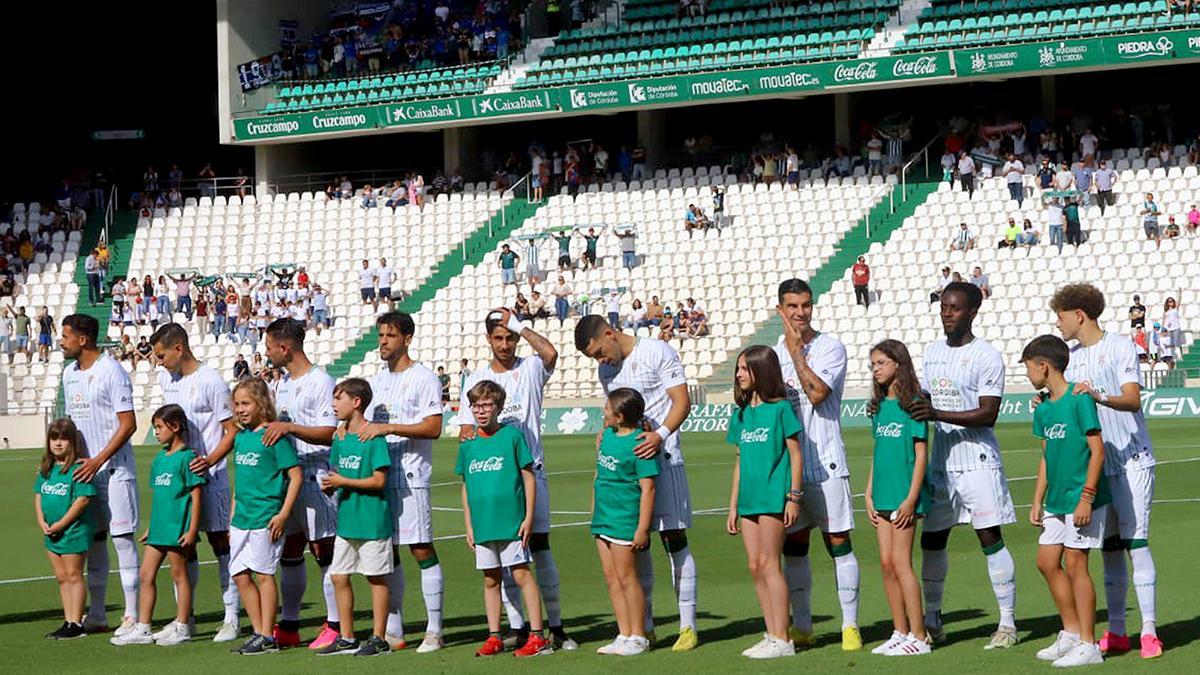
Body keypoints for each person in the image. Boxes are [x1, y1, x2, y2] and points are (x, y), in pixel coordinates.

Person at [1049, 284, 1163, 659]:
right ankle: (1116, 631)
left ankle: (1148, 630)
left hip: (1132, 459)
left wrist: (1098, 396)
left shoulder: (1119, 346)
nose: (1059, 323)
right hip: (1099, 465)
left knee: (1136, 542)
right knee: (1109, 548)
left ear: (1079, 314)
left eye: (1061, 316)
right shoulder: (1071, 357)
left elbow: (1132, 400)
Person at [455, 308, 577, 650]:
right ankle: (518, 627)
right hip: (496, 481)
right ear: (488, 339)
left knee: (538, 548)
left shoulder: (531, 367)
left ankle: (556, 626)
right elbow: (466, 429)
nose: (506, 344)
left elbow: (551, 353)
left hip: (530, 472)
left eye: (510, 337)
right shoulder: (477, 378)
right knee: (500, 562)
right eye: (499, 337)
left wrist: (521, 326)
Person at [575, 315, 699, 651]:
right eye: (595, 358)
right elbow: (620, 416)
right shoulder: (607, 371)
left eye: (600, 352)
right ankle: (643, 628)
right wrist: (608, 432)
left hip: (665, 459)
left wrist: (659, 435)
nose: (601, 361)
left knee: (675, 539)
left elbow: (681, 401)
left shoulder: (657, 351)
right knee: (634, 544)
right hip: (629, 473)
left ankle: (687, 626)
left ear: (610, 334)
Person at [910, 282, 1018, 648]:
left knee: (989, 537)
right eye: (943, 307)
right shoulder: (932, 352)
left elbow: (989, 414)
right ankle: (933, 619)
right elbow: (923, 396)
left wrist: (936, 411)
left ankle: (1007, 624)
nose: (947, 313)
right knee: (932, 540)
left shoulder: (987, 355)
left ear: (972, 311)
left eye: (954, 308)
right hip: (941, 461)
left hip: (978, 460)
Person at [772, 279, 861, 650]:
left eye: (805, 305)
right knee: (794, 545)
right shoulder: (772, 353)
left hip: (825, 461)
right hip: (790, 468)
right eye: (792, 306)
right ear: (780, 310)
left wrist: (796, 353)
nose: (800, 313)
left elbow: (818, 392)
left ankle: (850, 626)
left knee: (838, 541)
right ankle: (804, 626)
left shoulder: (830, 347)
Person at [150, 323, 242, 642]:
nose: (158, 362)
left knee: (220, 544)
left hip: (211, 478)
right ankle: (183, 620)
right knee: (183, 546)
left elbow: (232, 430)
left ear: (179, 348)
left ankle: (232, 617)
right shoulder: (167, 379)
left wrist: (210, 460)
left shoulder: (211, 381)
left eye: (162, 355)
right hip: (180, 483)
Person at [361, 312, 446, 652]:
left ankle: (435, 630)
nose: (383, 341)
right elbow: (369, 427)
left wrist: (390, 428)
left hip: (411, 475)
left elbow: (434, 427)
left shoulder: (423, 377)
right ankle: (394, 630)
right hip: (381, 477)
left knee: (421, 548)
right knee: (387, 551)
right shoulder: (377, 381)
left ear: (407, 339)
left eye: (390, 335)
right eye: (381, 335)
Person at [1022, 335, 1109, 667]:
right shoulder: (1042, 409)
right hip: (1056, 501)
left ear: (1043, 366)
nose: (1028, 375)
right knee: (1046, 562)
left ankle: (1089, 644)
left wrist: (1087, 497)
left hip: (1081, 498)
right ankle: (1071, 633)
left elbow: (1097, 451)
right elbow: (1046, 458)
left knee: (1076, 565)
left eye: (1029, 368)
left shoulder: (1079, 399)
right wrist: (1036, 500)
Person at [457, 380, 555, 658]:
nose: (481, 410)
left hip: (511, 521)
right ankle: (494, 636)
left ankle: (537, 636)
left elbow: (528, 476)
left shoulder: (512, 437)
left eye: (487, 405)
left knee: (522, 574)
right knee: (490, 579)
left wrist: (528, 517)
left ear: (499, 407)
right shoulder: (468, 445)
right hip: (483, 524)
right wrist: (468, 524)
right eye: (476, 405)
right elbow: (465, 486)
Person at [60, 314, 141, 635]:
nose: (61, 341)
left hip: (115, 470)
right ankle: (96, 613)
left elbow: (128, 423)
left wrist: (98, 459)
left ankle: (132, 615)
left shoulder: (112, 371)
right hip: (84, 473)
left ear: (83, 339)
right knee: (93, 542)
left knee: (122, 540)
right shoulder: (69, 374)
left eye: (66, 336)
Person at [262, 319, 340, 650]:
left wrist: (289, 428)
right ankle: (290, 624)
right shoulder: (284, 383)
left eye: (269, 348)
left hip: (315, 474)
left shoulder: (320, 381)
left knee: (323, 550)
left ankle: (335, 624)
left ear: (285, 347)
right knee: (289, 551)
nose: (266, 354)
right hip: (289, 477)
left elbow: (329, 432)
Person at [726, 346, 803, 659]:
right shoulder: (741, 414)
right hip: (748, 500)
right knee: (755, 565)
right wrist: (732, 505)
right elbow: (740, 461)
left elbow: (796, 454)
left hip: (773, 497)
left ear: (762, 371)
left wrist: (793, 496)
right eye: (738, 369)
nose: (739, 374)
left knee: (771, 564)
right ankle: (771, 633)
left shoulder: (781, 409)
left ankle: (783, 639)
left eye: (745, 368)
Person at [110, 405, 206, 647]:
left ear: (175, 427)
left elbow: (196, 496)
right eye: (154, 428)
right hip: (159, 529)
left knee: (179, 575)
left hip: (177, 529)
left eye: (160, 427)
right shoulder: (160, 459)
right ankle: (143, 627)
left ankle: (183, 625)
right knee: (145, 575)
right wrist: (152, 527)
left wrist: (192, 529)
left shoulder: (188, 458)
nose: (156, 433)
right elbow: (159, 498)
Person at [863, 340, 931, 657]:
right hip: (883, 494)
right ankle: (899, 630)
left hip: (905, 495)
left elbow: (920, 455)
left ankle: (919, 635)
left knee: (902, 563)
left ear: (898, 364)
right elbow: (878, 454)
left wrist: (911, 498)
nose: (875, 369)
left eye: (880, 363)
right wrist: (868, 491)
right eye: (873, 364)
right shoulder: (878, 407)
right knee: (886, 564)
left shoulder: (914, 403)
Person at [317, 378, 394, 657]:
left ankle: (379, 638)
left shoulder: (374, 438)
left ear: (356, 402)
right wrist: (331, 484)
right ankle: (347, 637)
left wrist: (343, 481)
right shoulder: (340, 437)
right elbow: (337, 473)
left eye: (339, 399)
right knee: (339, 576)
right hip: (347, 521)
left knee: (375, 578)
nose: (334, 404)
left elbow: (378, 481)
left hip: (372, 520)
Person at [227, 378, 303, 655]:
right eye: (236, 404)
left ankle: (267, 635)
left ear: (261, 404)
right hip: (241, 520)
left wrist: (283, 514)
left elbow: (295, 476)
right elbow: (241, 482)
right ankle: (259, 632)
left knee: (264, 575)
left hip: (265, 517)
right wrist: (232, 515)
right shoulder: (241, 437)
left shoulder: (273, 436)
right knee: (239, 575)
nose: (240, 409)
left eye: (246, 403)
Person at [592, 388, 659, 657]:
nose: (603, 412)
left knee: (627, 578)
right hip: (603, 519)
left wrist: (642, 528)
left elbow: (648, 489)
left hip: (624, 520)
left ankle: (638, 635)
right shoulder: (606, 436)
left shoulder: (640, 445)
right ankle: (623, 633)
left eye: (607, 409)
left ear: (619, 416)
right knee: (611, 578)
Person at [34, 418, 97, 640]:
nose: (58, 443)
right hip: (51, 533)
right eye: (54, 438)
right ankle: (68, 619)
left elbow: (82, 500)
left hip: (72, 531)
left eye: (63, 439)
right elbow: (39, 495)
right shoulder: (46, 468)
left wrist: (61, 524)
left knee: (73, 575)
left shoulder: (78, 468)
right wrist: (42, 521)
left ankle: (76, 623)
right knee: (61, 577)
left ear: (72, 442)